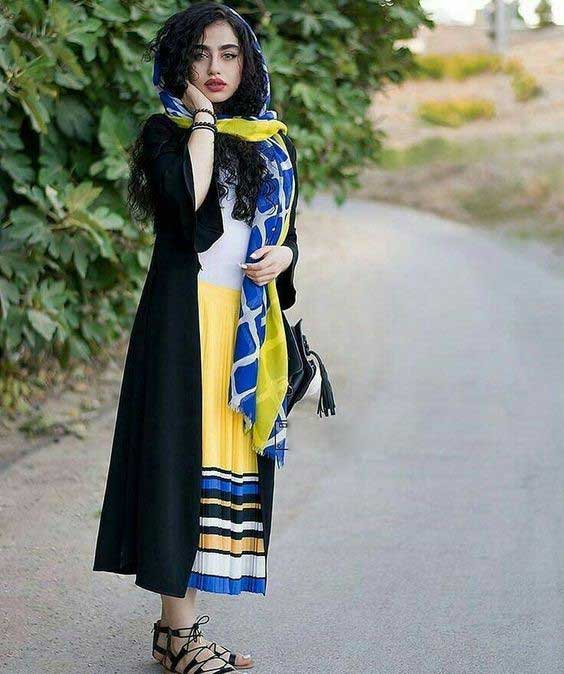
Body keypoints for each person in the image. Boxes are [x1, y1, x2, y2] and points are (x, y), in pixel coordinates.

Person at [92, 2, 300, 672]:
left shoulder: (273, 144)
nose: (215, 67)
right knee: (178, 466)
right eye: (201, 54)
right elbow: (185, 203)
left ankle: (174, 633)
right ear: (180, 63)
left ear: (248, 63)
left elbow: (287, 235)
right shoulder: (167, 133)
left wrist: (285, 258)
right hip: (184, 326)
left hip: (244, 333)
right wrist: (203, 122)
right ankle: (179, 638)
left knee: (220, 472)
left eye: (229, 54)